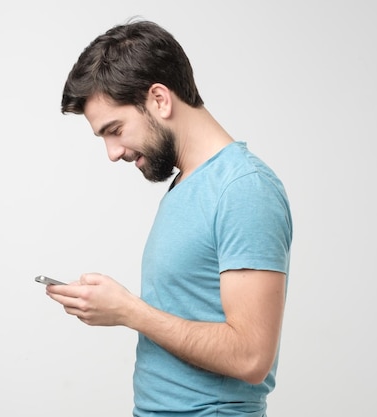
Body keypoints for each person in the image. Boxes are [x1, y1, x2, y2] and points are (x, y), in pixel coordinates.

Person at [46, 19, 293, 417]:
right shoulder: (186, 185)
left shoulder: (243, 188)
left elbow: (250, 356)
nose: (112, 153)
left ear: (160, 99)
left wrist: (128, 310)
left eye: (115, 129)